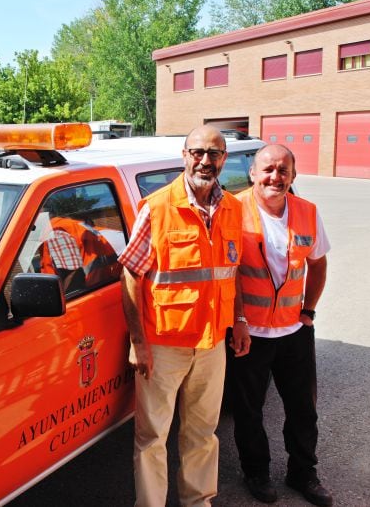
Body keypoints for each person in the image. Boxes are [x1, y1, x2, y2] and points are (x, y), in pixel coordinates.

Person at [119, 124, 251, 507]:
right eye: (198, 152)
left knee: (203, 433)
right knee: (152, 438)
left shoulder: (232, 208)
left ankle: (198, 502)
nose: (205, 161)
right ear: (184, 155)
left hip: (212, 345)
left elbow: (232, 270)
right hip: (163, 345)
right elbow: (130, 274)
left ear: (224, 159)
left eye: (214, 154)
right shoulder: (157, 208)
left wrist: (240, 320)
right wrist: (138, 342)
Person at [226, 144, 333, 506]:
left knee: (303, 410)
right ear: (253, 173)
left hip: (294, 332)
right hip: (249, 332)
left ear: (293, 176)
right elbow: (228, 275)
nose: (276, 177)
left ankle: (303, 473)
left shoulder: (307, 212)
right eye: (268, 169)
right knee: (248, 410)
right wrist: (238, 320)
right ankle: (256, 472)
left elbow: (317, 264)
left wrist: (309, 311)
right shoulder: (231, 210)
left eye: (283, 170)